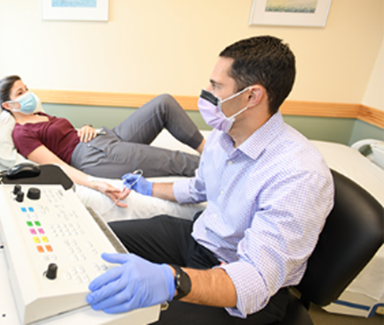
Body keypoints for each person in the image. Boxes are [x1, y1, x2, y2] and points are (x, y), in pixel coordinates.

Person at [86, 36, 335, 324]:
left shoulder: (299, 174)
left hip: (241, 283)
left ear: (251, 96)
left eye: (216, 86)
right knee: (99, 239)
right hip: (200, 240)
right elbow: (199, 187)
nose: (206, 93)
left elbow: (253, 280)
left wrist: (173, 280)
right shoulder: (223, 134)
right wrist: (147, 187)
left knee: (136, 319)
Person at [0, 75, 205, 207]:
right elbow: (57, 166)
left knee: (163, 103)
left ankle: (208, 150)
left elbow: (65, 134)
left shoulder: (40, 115)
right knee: (174, 160)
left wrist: (85, 128)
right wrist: (94, 183)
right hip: (92, 156)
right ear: (8, 105)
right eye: (20, 93)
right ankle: (221, 166)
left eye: (26, 89)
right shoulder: (21, 134)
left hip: (103, 137)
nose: (28, 94)